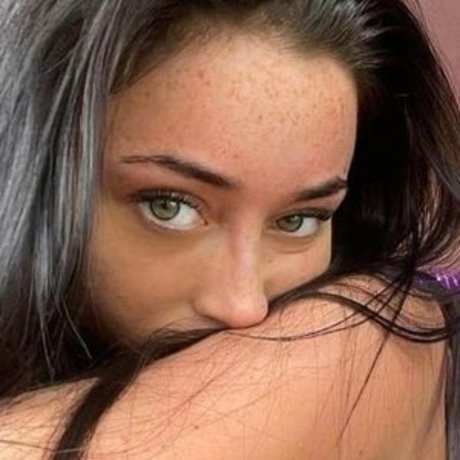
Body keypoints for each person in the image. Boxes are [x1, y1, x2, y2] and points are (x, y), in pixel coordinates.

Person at [0, 0, 459, 458]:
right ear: (32, 178)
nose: (244, 307)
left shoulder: (368, 333)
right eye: (170, 207)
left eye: (298, 220)